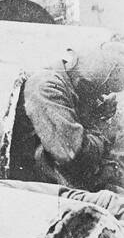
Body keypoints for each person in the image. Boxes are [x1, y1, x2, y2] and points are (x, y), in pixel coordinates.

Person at [20, 42, 124, 192]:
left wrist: (98, 113)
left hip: (72, 178)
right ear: (86, 83)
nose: (102, 96)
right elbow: (72, 154)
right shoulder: (47, 87)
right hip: (49, 185)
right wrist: (103, 129)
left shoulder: (71, 82)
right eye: (102, 89)